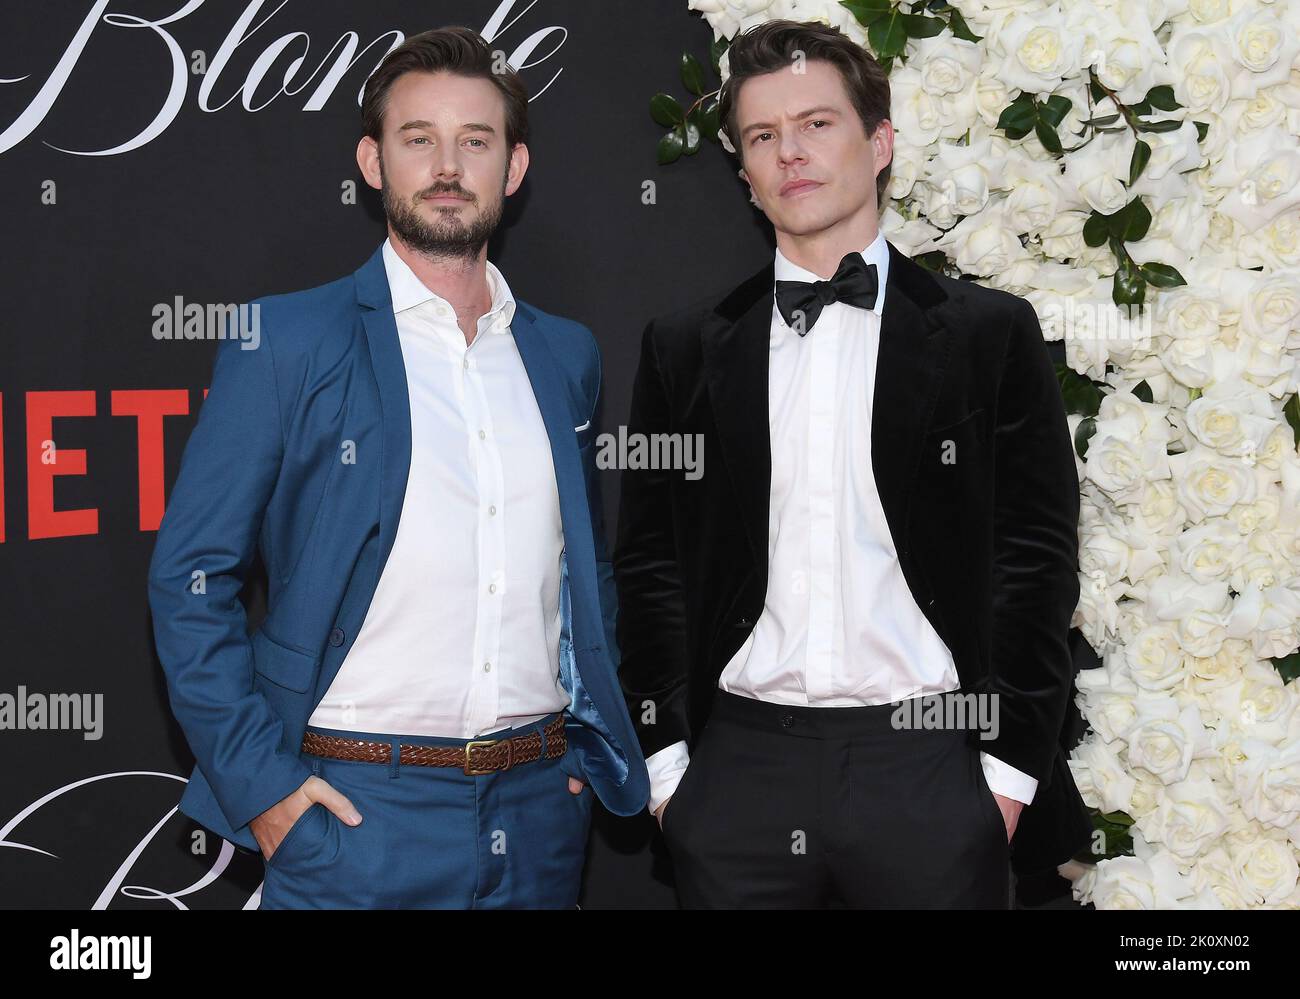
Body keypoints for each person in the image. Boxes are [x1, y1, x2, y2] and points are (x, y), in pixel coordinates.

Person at [148, 25, 647, 909]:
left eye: (476, 141)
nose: (447, 165)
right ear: (374, 162)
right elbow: (192, 578)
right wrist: (265, 791)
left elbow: (583, 569)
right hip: (352, 813)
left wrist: (579, 749)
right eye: (420, 139)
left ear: (515, 167)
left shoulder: (564, 354)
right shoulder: (288, 340)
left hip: (539, 809)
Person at [613, 18, 1091, 908]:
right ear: (746, 176)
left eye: (817, 124)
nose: (789, 152)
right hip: (737, 774)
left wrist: (1007, 780)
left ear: (880, 144)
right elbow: (648, 566)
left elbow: (1035, 564)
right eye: (763, 136)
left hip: (933, 768)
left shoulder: (991, 335)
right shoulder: (682, 347)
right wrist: (671, 772)